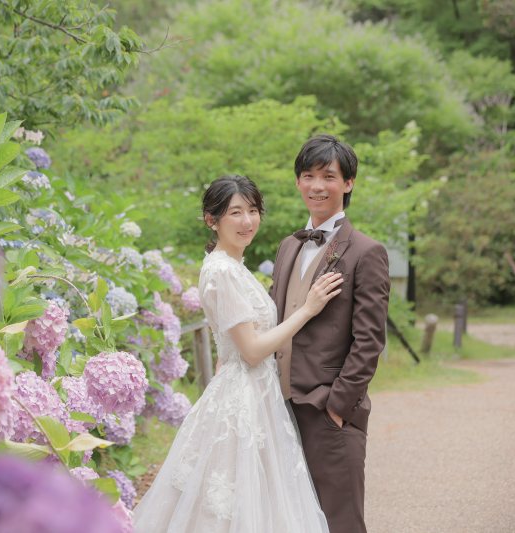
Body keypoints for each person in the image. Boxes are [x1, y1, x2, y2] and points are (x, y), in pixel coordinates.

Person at [132, 174, 342, 533]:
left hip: (250, 394)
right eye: (235, 213)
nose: (247, 222)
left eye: (253, 211)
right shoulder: (221, 272)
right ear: (212, 220)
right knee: (231, 506)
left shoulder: (232, 267)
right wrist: (307, 310)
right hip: (242, 396)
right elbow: (252, 351)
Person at [268, 134, 390, 533]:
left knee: (340, 523)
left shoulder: (366, 251)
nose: (317, 186)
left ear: (348, 183)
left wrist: (338, 406)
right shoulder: (288, 246)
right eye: (307, 176)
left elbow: (369, 339)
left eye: (328, 176)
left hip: (327, 412)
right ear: (298, 182)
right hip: (278, 410)